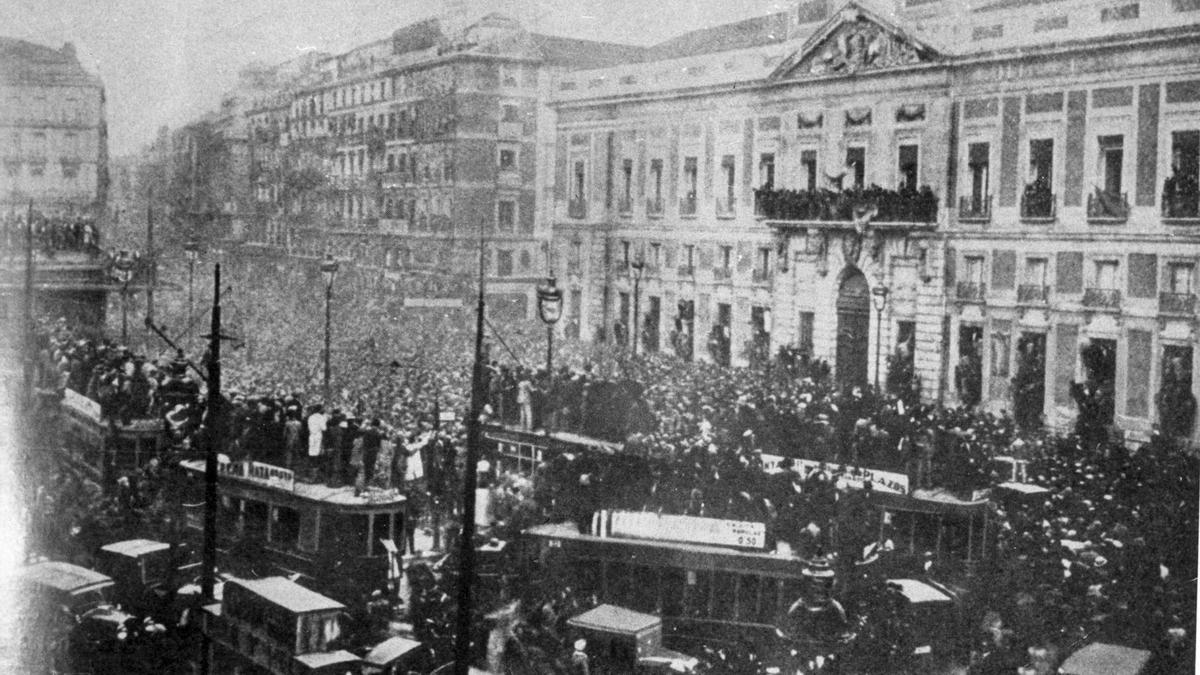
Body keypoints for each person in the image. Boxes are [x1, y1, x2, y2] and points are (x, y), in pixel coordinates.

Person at [306, 405, 327, 478]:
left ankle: (311, 474)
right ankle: (317, 474)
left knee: (311, 454)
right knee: (318, 455)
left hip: (311, 436)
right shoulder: (321, 417)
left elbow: (308, 427)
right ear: (320, 409)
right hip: (318, 436)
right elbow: (324, 428)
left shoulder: (310, 417)